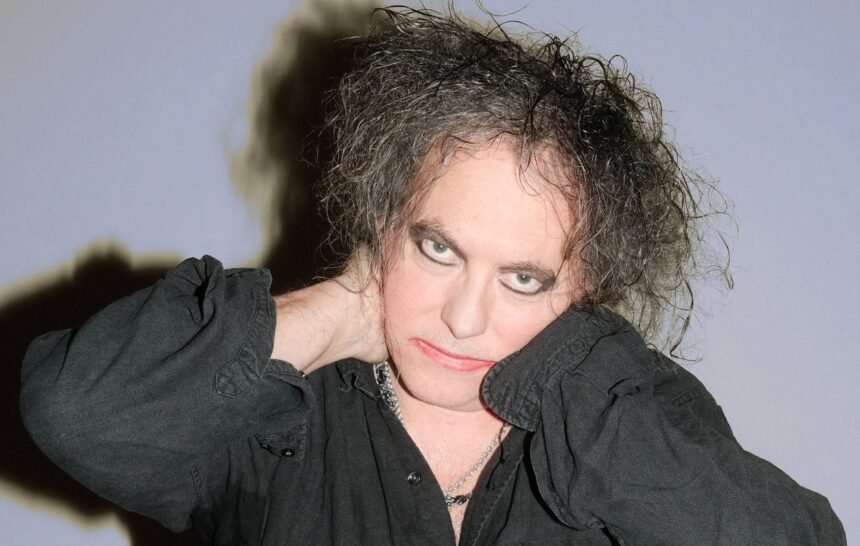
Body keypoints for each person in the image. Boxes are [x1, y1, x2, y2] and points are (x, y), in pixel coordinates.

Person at [19, 6, 845, 545]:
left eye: (525, 278)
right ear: (384, 222)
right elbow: (78, 413)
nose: (462, 317)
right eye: (438, 248)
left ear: (586, 286)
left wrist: (582, 376)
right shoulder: (280, 418)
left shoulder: (623, 414)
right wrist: (341, 309)